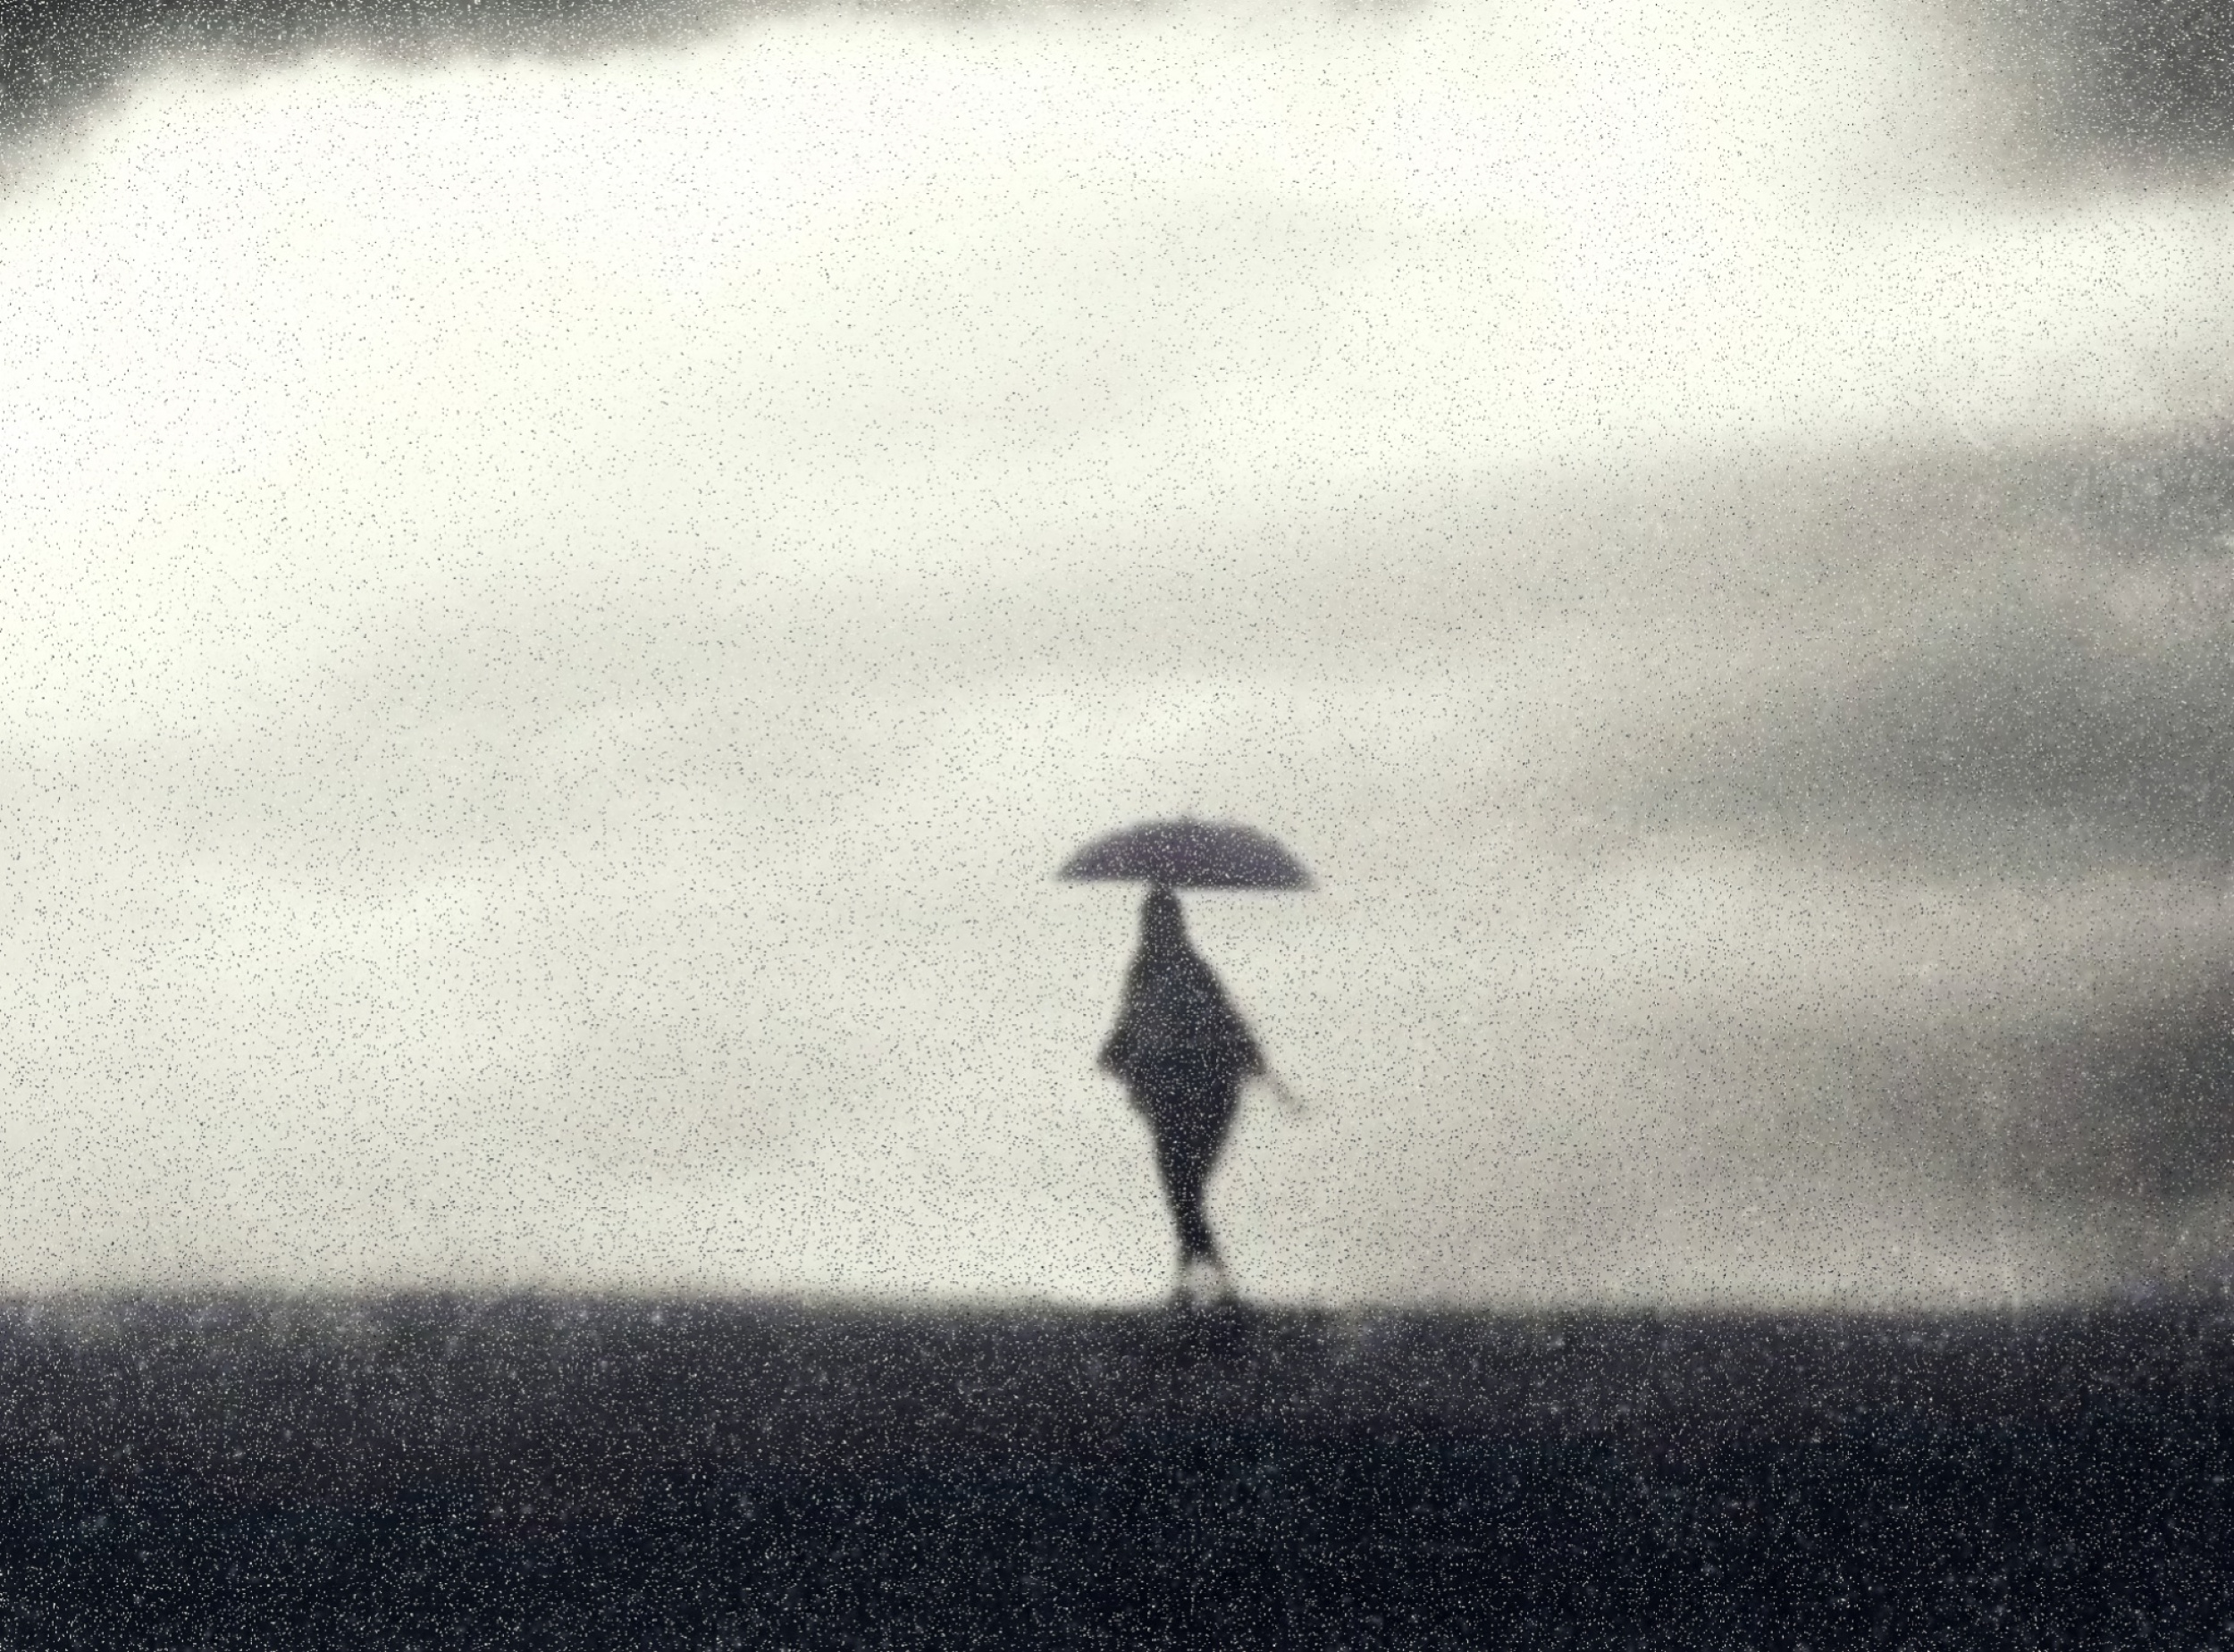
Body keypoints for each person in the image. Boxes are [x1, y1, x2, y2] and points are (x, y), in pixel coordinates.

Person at [1097, 885, 1265, 1304]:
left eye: (1157, 921)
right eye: (1151, 921)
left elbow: (1224, 1027)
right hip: (1172, 1096)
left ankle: (1207, 1280)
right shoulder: (1148, 973)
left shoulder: (1188, 972)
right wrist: (1118, 1052)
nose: (1153, 930)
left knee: (1183, 1187)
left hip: (1205, 1094)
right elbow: (1130, 1030)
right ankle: (1203, 1279)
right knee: (1182, 1188)